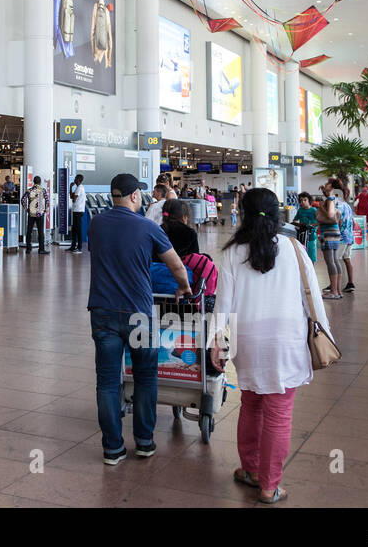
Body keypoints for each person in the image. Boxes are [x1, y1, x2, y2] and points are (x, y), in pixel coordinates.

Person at [214, 188, 333, 504]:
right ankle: (270, 486)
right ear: (278, 213)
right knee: (279, 414)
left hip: (247, 342)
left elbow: (222, 303)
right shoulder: (294, 248)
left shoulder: (232, 252)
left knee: (251, 405)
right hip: (287, 341)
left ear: (243, 213)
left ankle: (251, 471)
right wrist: (327, 337)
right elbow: (314, 302)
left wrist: (215, 341)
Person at [88, 173, 190, 466]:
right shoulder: (147, 227)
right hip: (139, 315)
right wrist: (183, 287)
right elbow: (176, 265)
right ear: (134, 196)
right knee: (145, 377)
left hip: (103, 312)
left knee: (107, 382)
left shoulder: (96, 224)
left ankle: (112, 449)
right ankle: (144, 442)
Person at [316, 184, 343, 300]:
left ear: (332, 187)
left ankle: (334, 291)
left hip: (328, 233)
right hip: (335, 232)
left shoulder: (330, 200)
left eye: (326, 185)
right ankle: (338, 290)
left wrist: (321, 207)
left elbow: (330, 215)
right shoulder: (336, 200)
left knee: (330, 261)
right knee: (335, 260)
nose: (323, 186)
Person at [333, 181, 356, 293]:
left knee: (335, 260)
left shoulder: (337, 204)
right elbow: (353, 222)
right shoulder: (347, 205)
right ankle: (350, 283)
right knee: (347, 259)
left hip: (341, 237)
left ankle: (335, 285)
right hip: (349, 237)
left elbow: (339, 221)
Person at [21, 175, 51, 254]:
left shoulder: (29, 190)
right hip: (40, 214)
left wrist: (26, 209)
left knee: (29, 231)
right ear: (40, 182)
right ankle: (41, 249)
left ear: (33, 182)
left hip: (31, 213)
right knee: (40, 232)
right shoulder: (43, 190)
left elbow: (22, 200)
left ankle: (28, 248)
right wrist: (44, 211)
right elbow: (47, 202)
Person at [294, 192, 318, 262]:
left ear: (309, 201)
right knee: (302, 256)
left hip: (312, 237)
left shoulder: (314, 210)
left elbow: (319, 222)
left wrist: (311, 226)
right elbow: (295, 220)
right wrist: (299, 224)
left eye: (305, 200)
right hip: (301, 237)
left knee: (311, 257)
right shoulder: (300, 210)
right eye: (301, 200)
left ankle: (311, 271)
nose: (303, 202)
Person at [68, 174, 87, 253]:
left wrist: (73, 197)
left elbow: (73, 199)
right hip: (76, 210)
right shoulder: (77, 188)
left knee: (78, 229)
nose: (74, 179)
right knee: (74, 229)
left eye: (75, 178)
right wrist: (70, 187)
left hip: (78, 211)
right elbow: (71, 197)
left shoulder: (80, 188)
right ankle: (73, 246)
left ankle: (79, 247)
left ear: (78, 180)